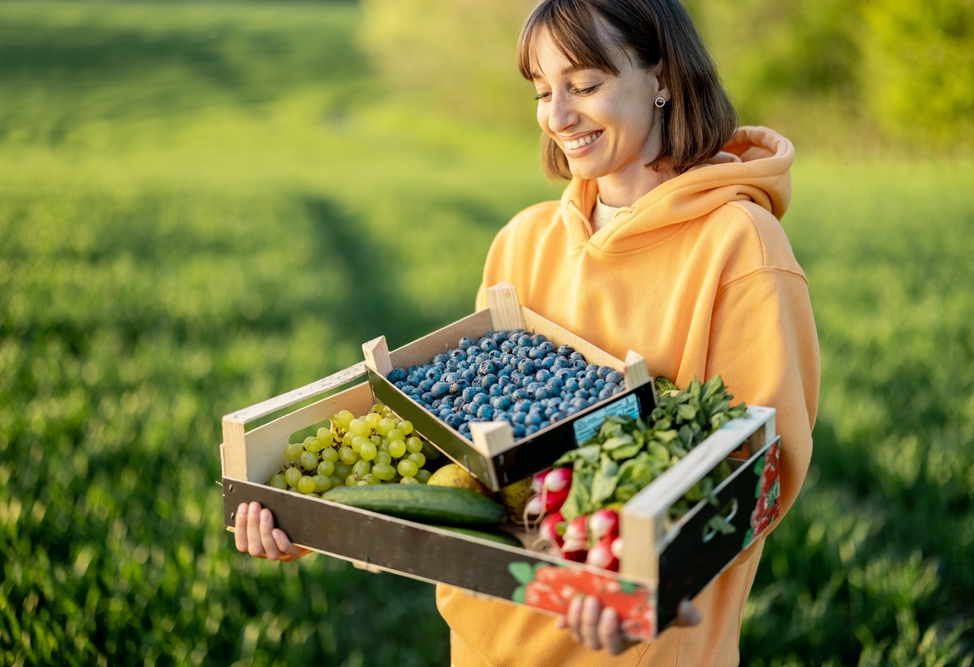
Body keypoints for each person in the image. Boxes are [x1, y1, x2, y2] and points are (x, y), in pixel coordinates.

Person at [236, 0, 821, 664]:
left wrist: (643, 579)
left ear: (661, 77)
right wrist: (316, 516)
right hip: (490, 637)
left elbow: (762, 468)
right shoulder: (523, 242)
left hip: (638, 648)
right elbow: (454, 451)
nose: (558, 115)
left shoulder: (739, 245)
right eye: (544, 91)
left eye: (586, 84)